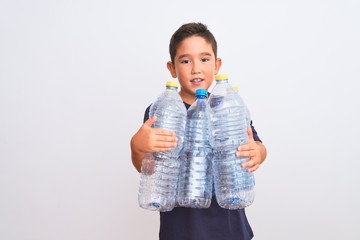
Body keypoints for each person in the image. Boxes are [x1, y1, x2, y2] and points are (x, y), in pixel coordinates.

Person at [130, 22, 267, 240]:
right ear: (172, 68)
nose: (196, 68)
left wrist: (257, 153)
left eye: (204, 59)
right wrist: (136, 148)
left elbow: (257, 145)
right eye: (185, 61)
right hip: (181, 231)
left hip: (231, 230)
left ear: (216, 65)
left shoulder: (228, 107)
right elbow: (150, 168)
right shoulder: (161, 111)